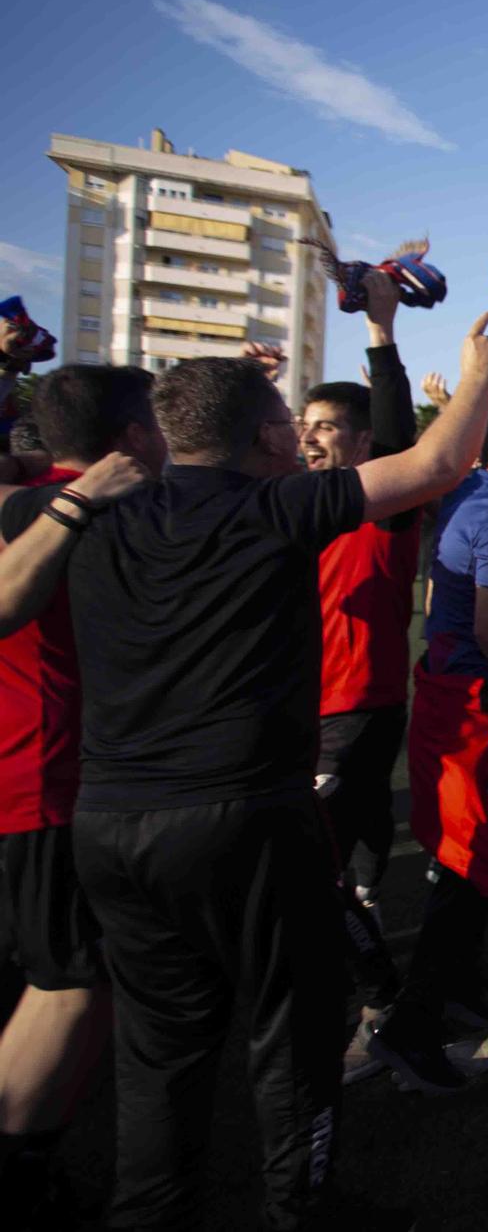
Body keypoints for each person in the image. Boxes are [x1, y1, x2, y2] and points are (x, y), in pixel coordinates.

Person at [0, 318, 488, 1229]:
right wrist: (481, 374)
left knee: (161, 1051)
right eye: (290, 424)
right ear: (269, 440)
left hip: (111, 827)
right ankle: (298, 1205)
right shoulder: (274, 508)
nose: (301, 438)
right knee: (294, 1035)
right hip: (244, 821)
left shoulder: (74, 514)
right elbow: (434, 464)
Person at [0, 365, 163, 1221]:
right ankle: (21, 1164)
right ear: (133, 437)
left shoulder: (16, 501)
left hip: (26, 768)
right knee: (70, 979)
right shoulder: (106, 515)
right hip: (49, 780)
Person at [365, 403, 488, 1093]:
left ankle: (462, 999)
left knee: (480, 863)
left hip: (462, 702)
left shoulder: (479, 491)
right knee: (466, 869)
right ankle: (410, 1028)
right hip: (477, 710)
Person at [292, 271, 421, 1084]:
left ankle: (381, 1005)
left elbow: (407, 434)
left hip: (354, 715)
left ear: (363, 441)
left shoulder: (384, 504)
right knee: (364, 861)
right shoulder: (299, 503)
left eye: (327, 427)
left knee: (313, 869)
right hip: (314, 713)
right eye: (302, 425)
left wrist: (381, 333)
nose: (309, 439)